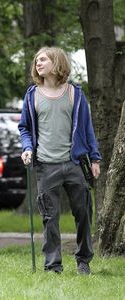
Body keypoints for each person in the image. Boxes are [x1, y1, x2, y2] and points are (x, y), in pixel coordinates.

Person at [18, 46, 101, 275]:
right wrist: (27, 148)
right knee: (49, 217)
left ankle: (83, 260)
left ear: (57, 63)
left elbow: (87, 129)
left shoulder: (75, 93)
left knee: (83, 213)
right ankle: (53, 265)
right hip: (45, 165)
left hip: (74, 164)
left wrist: (95, 158)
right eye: (36, 61)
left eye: (43, 60)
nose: (38, 64)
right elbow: (24, 127)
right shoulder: (32, 95)